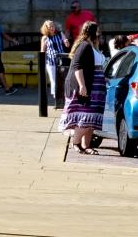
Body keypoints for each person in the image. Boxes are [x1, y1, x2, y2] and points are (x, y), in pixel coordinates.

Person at [59, 20, 105, 154]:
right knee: (85, 116)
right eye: (98, 30)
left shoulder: (92, 46)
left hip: (97, 85)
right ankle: (76, 143)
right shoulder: (84, 46)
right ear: (93, 31)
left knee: (92, 117)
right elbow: (77, 67)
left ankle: (87, 145)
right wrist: (82, 86)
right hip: (88, 85)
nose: (100, 33)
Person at [39, 20, 68, 103]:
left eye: (53, 26)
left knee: (62, 79)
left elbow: (66, 41)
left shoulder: (59, 34)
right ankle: (57, 97)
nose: (52, 28)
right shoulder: (45, 38)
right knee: (54, 80)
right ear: (46, 28)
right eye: (50, 27)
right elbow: (42, 51)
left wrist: (66, 41)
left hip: (61, 60)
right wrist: (42, 62)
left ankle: (63, 96)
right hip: (51, 61)